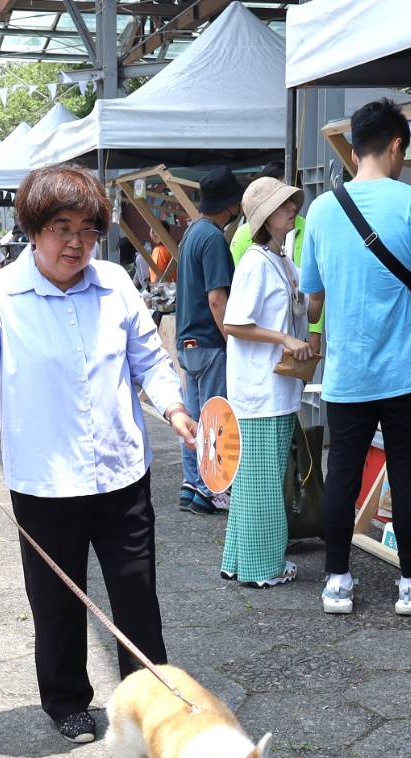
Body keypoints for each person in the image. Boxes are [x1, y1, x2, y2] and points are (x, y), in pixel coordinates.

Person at [0, 163, 197, 744]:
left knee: (136, 592)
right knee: (56, 599)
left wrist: (175, 408)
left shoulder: (114, 285)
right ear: (33, 229)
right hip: (45, 483)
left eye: (87, 229)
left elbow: (148, 360)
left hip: (120, 472)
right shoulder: (4, 294)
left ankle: (151, 703)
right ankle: (66, 699)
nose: (75, 243)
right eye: (61, 227)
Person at [299, 97, 411, 617]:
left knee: (342, 474)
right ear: (396, 146)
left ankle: (337, 583)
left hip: (346, 373)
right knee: (409, 478)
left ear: (353, 148)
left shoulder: (321, 210)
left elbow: (313, 299)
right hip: (408, 374)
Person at [218, 176, 312, 589]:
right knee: (264, 482)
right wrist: (285, 338)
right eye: (283, 205)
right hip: (260, 389)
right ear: (264, 218)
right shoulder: (257, 262)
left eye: (291, 202)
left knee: (258, 478)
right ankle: (263, 567)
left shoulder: (281, 259)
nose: (292, 208)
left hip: (273, 386)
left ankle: (241, 559)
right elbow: (234, 323)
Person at [174, 166, 241, 515]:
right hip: (209, 340)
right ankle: (209, 489)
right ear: (230, 203)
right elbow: (217, 298)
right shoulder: (213, 238)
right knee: (214, 418)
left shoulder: (191, 233)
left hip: (187, 341)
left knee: (196, 416)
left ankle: (191, 484)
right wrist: (230, 338)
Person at [229, 161, 306, 266]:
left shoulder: (308, 227)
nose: (293, 206)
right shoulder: (253, 263)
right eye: (282, 202)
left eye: (290, 198)